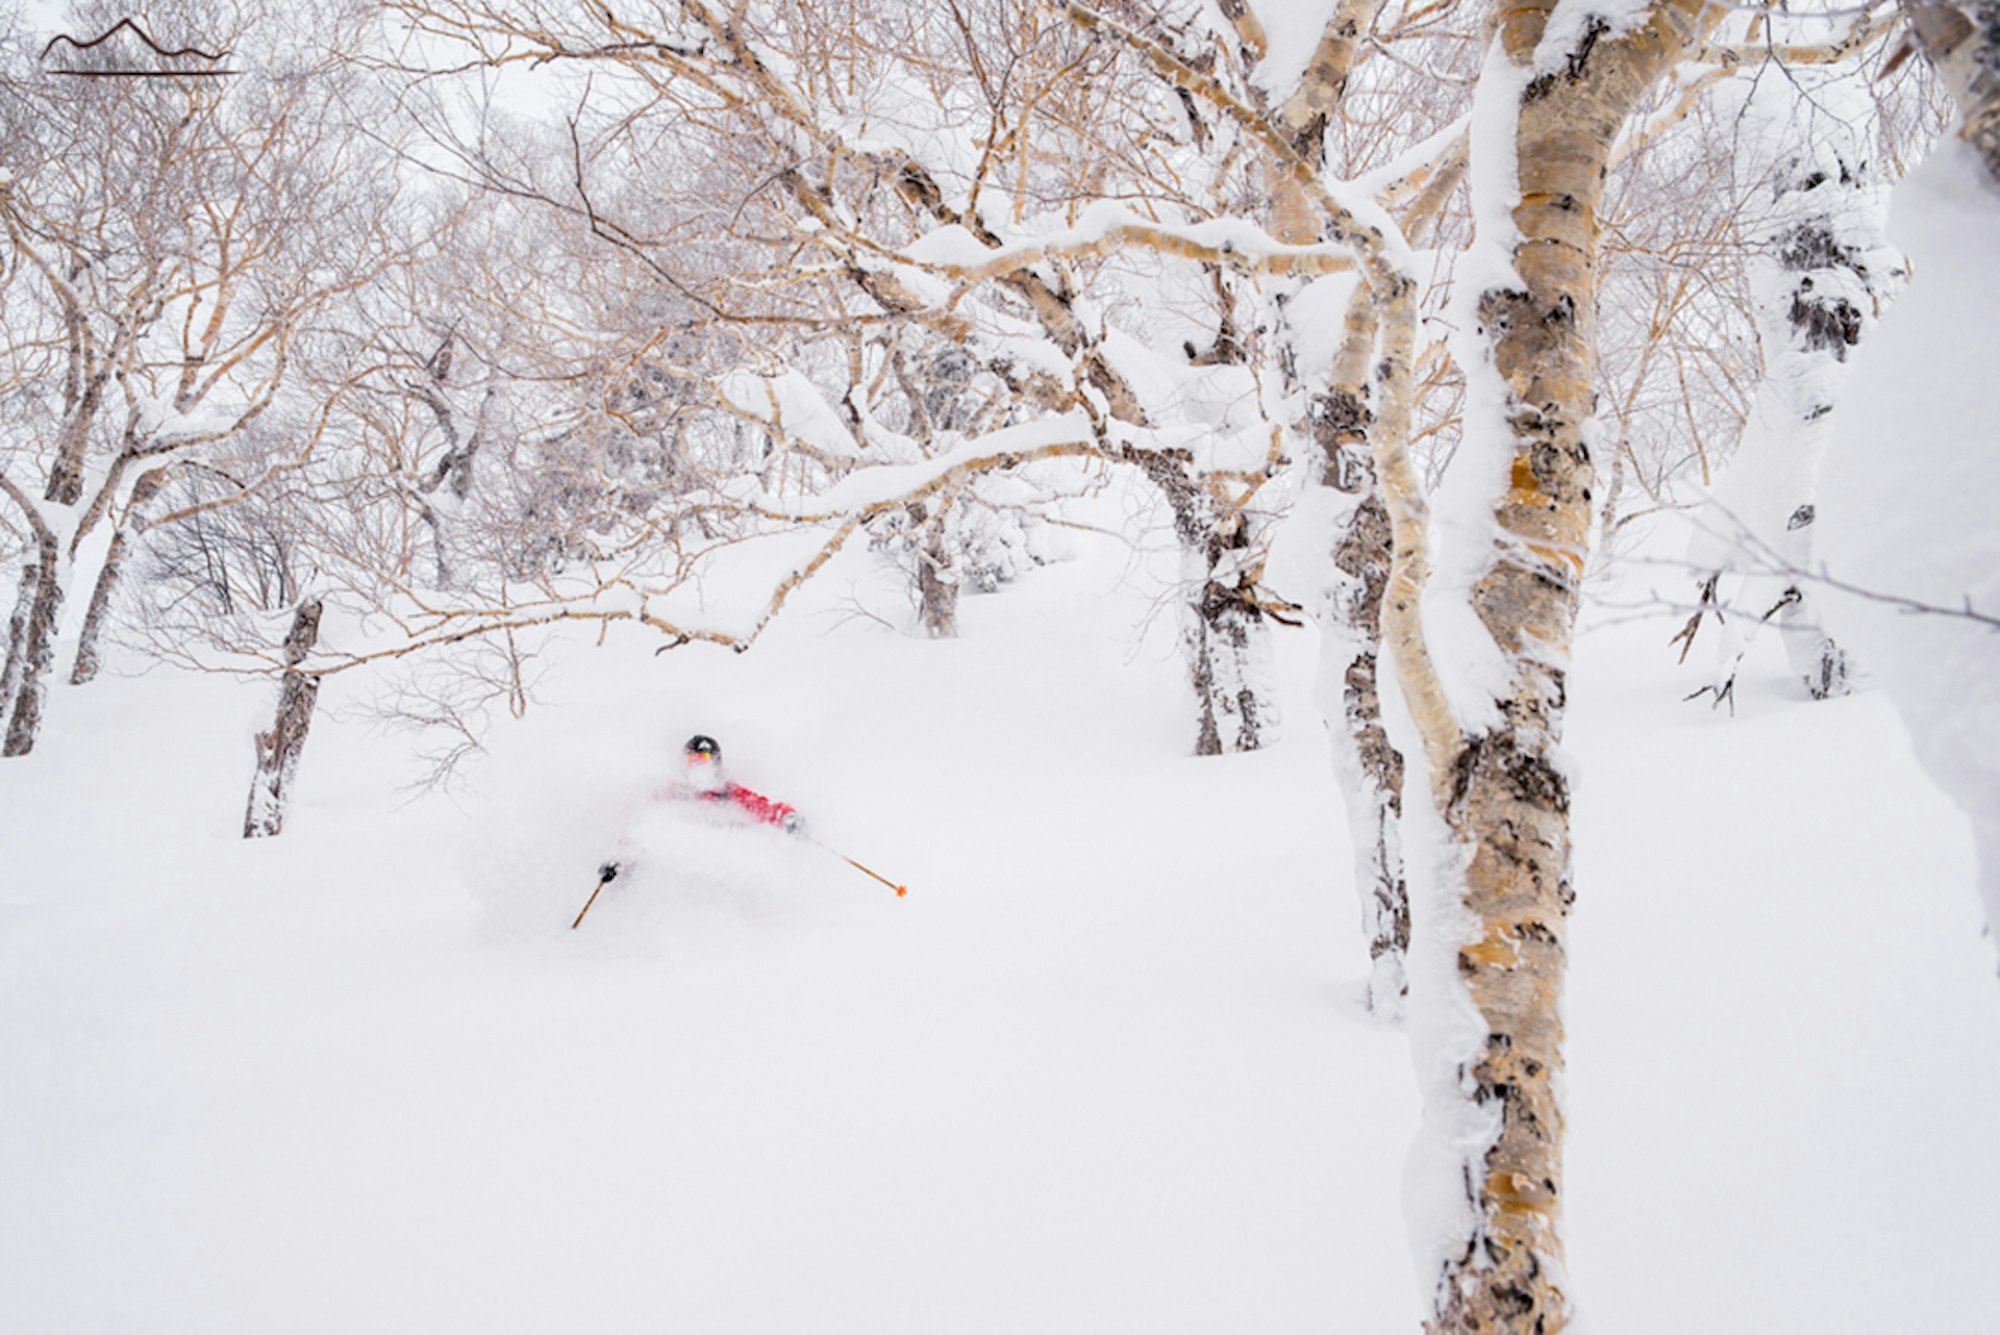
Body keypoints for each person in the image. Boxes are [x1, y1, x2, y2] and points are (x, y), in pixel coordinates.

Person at [595, 734, 805, 886]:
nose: (697, 767)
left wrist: (787, 817)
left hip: (722, 873)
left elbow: (764, 808)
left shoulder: (729, 793)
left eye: (702, 760)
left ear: (716, 762)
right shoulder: (672, 794)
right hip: (675, 877)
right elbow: (643, 825)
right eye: (691, 761)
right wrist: (618, 857)